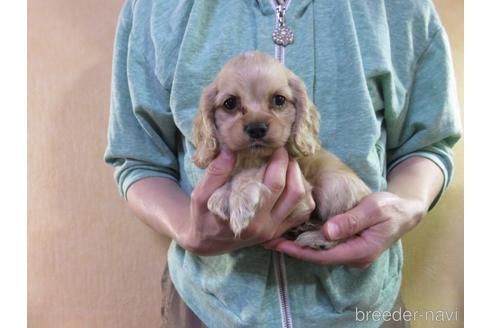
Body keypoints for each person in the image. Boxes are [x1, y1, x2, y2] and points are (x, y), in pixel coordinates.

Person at [104, 0, 461, 327]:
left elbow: (429, 143)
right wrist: (189, 228)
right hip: (210, 307)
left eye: (278, 101)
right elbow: (138, 158)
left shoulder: (400, 8)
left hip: (362, 307)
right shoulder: (155, 9)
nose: (256, 122)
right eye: (231, 105)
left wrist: (406, 206)